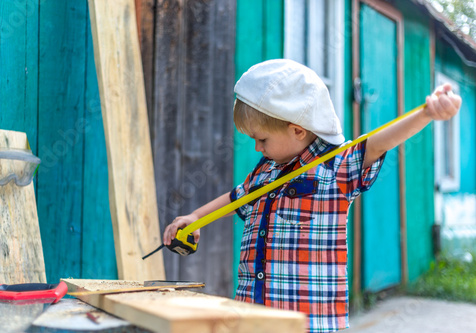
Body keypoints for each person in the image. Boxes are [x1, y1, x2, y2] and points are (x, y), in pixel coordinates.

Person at [163, 59, 461, 332]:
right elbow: (237, 197)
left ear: (297, 130)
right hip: (252, 315)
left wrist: (427, 113)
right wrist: (195, 217)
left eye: (261, 139)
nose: (257, 148)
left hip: (310, 323)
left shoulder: (336, 168)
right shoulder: (266, 170)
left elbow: (379, 143)